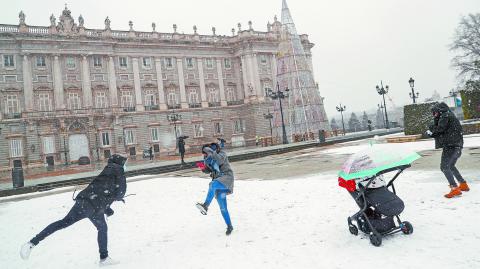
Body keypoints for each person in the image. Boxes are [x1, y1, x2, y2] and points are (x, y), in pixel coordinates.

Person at [20, 154, 128, 265]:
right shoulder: (118, 170)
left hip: (84, 201)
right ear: (120, 163)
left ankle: (32, 242)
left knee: (63, 223)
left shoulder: (107, 170)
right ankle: (104, 258)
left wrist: (107, 209)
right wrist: (118, 197)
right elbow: (119, 193)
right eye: (125, 163)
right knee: (102, 228)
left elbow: (101, 190)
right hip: (93, 206)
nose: (125, 165)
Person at [427, 102, 470, 198]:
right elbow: (443, 131)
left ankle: (454, 188)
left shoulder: (445, 115)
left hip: (451, 146)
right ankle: (463, 184)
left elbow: (439, 129)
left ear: (439, 110)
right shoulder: (449, 115)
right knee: (451, 166)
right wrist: (433, 131)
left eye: (434, 113)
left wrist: (431, 129)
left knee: (444, 167)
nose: (434, 115)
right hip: (457, 145)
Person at [196, 143, 235, 235]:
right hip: (219, 184)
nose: (205, 155)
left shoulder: (222, 154)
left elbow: (219, 161)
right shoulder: (209, 158)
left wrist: (210, 152)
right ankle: (230, 226)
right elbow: (209, 170)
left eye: (205, 153)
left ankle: (205, 205)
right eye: (204, 153)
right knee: (223, 208)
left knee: (212, 185)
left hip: (226, 178)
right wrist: (203, 168)